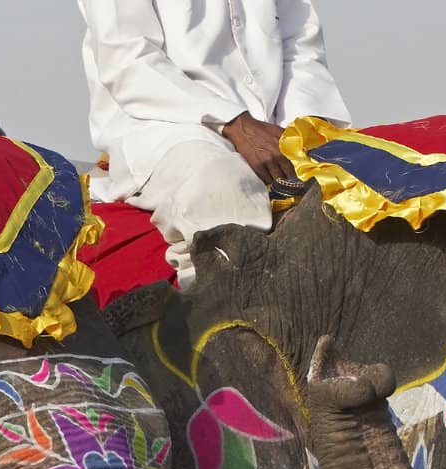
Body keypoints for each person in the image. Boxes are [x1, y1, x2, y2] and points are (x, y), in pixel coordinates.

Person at [77, 0, 351, 285]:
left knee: (367, 184)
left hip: (271, 124)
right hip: (164, 126)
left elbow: (299, 42)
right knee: (221, 190)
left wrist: (299, 127)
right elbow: (129, 63)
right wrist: (237, 124)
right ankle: (215, 315)